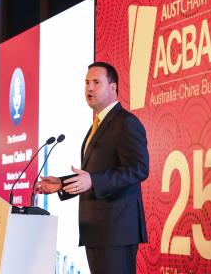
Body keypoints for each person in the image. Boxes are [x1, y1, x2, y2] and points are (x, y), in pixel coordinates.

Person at [36, 61, 149, 274]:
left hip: (116, 231)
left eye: (96, 82)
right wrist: (61, 184)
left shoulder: (125, 123)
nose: (89, 88)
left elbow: (139, 168)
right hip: (96, 231)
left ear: (113, 87)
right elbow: (92, 175)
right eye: (86, 82)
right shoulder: (96, 126)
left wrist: (93, 181)